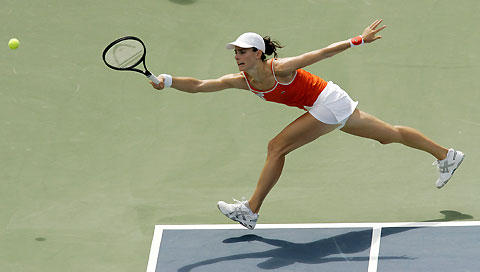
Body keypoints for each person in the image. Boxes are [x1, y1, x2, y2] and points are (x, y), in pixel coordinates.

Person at [151, 19, 465, 230]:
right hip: (331, 101)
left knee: (276, 147)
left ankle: (250, 210)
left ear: (258, 53)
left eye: (242, 51)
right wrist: (166, 80)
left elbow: (321, 53)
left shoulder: (281, 68)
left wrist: (358, 40)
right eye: (235, 51)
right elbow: (199, 85)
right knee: (389, 135)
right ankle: (445, 155)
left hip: (327, 102)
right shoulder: (243, 81)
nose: (237, 56)